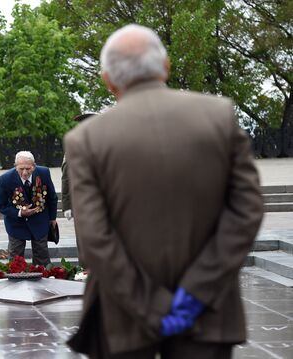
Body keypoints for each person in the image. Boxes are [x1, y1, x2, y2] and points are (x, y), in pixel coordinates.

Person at [64, 24, 263, 359]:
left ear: (108, 80)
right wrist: (196, 292)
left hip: (125, 321)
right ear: (166, 65)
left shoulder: (86, 140)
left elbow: (95, 238)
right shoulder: (220, 116)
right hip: (209, 314)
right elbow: (247, 210)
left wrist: (150, 305)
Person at [0, 151, 58, 266]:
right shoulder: (6, 179)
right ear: (15, 167)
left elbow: (52, 197)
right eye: (21, 169)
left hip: (39, 220)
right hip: (16, 224)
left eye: (28, 169)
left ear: (34, 166)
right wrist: (20, 212)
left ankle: (43, 281)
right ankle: (16, 282)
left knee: (42, 258)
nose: (24, 173)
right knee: (15, 260)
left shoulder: (44, 173)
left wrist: (52, 218)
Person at [61, 113, 96, 265]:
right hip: (81, 201)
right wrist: (67, 205)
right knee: (83, 239)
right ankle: (86, 270)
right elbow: (66, 176)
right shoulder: (74, 147)